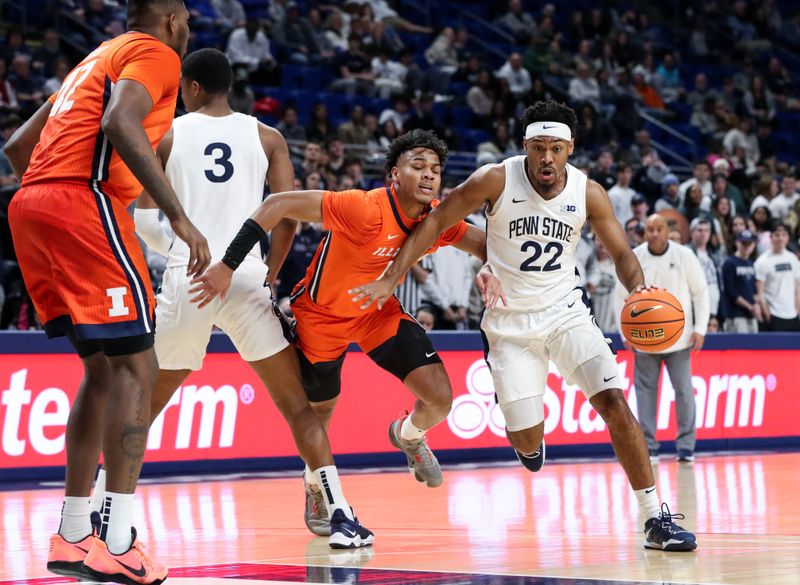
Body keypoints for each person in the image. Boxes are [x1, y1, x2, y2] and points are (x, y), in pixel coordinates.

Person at [348, 100, 697, 552]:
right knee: (530, 450)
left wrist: (639, 290)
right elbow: (436, 219)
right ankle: (508, 433)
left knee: (614, 401)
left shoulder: (589, 192)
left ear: (570, 148)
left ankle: (655, 518)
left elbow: (624, 255)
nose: (547, 158)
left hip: (568, 312)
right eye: (538, 148)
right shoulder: (495, 178)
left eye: (555, 148)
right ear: (525, 147)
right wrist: (392, 277)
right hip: (509, 323)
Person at [100, 48, 370, 549]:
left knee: (143, 407)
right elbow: (287, 215)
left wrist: (183, 249)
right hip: (244, 277)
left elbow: (139, 218)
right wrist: (266, 271)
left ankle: (104, 507)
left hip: (191, 278)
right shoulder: (268, 136)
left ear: (193, 87)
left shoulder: (169, 133)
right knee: (298, 409)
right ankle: (341, 515)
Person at [189, 129, 487, 533]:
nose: (429, 175)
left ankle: (408, 434)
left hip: (377, 315)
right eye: (418, 165)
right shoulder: (362, 208)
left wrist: (493, 267)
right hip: (321, 318)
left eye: (435, 169)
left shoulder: (436, 221)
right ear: (393, 175)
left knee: (441, 399)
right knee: (320, 415)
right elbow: (277, 204)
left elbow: (486, 246)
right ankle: (314, 485)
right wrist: (227, 264)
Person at [3, 1, 209, 582]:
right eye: (187, 18)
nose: (189, 28)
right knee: (138, 369)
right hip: (81, 201)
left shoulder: (88, 62)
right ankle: (117, 539)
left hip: (31, 205)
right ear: (170, 17)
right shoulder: (156, 53)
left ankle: (72, 535)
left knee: (102, 370)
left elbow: (19, 148)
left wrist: (54, 203)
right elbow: (121, 122)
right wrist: (179, 218)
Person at [619, 214, 709, 464]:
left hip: (678, 339)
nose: (655, 234)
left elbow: (700, 293)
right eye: (650, 230)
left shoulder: (685, 256)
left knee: (683, 391)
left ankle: (686, 447)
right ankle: (649, 447)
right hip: (645, 339)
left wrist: (700, 328)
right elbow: (620, 296)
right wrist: (623, 330)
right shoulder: (635, 256)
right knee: (645, 393)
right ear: (644, 233)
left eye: (659, 229)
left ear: (668, 231)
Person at [755, 223, 800, 331]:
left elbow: (797, 287)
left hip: (792, 314)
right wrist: (767, 314)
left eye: (784, 235)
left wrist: (797, 309)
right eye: (777, 235)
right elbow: (759, 293)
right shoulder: (762, 261)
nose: (780, 238)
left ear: (788, 238)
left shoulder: (792, 258)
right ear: (771, 237)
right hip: (774, 314)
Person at [722, 230, 761, 332]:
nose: (747, 246)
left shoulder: (750, 263)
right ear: (737, 243)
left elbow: (753, 290)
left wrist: (756, 304)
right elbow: (731, 291)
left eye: (750, 243)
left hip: (751, 314)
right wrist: (750, 306)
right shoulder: (730, 263)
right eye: (744, 243)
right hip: (736, 314)